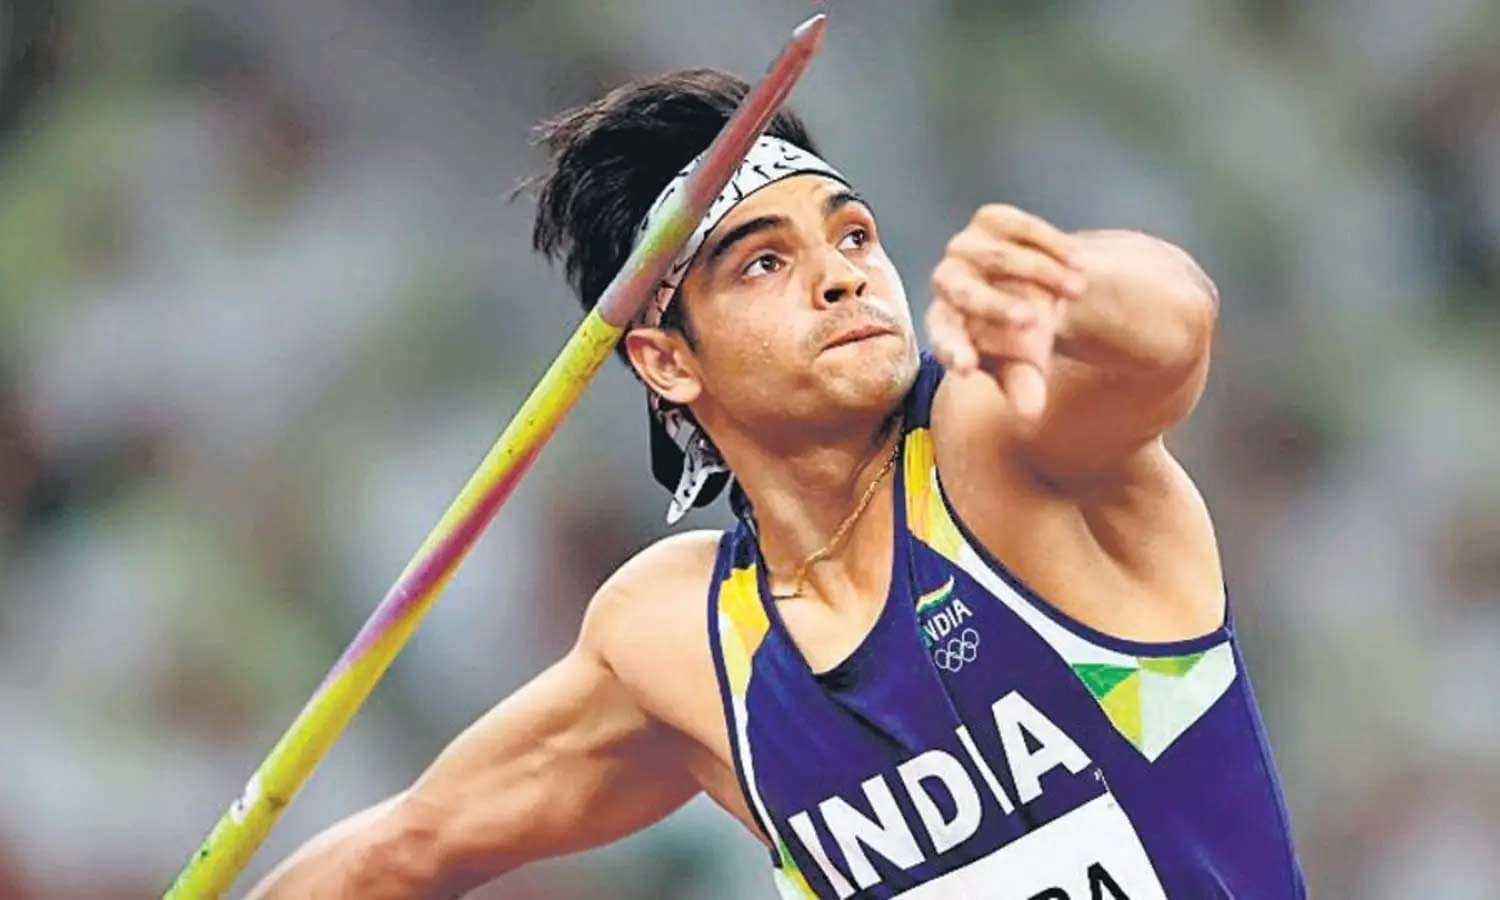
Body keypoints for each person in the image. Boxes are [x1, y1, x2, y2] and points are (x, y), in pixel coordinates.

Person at [252, 68, 1305, 899]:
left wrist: (1060, 285)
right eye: (764, 262)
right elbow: (410, 847)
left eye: (853, 235)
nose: (843, 275)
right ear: (668, 361)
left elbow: (1173, 329)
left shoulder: (995, 458)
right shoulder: (684, 643)